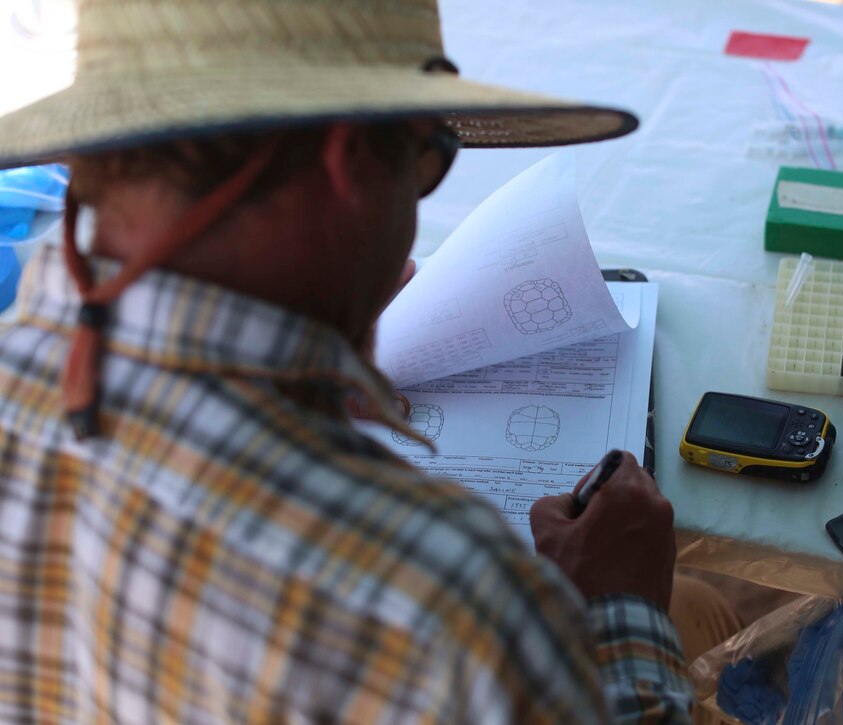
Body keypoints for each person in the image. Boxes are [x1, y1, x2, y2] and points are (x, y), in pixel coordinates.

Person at [0, 0, 739, 722]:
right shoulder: (445, 597)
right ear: (349, 163)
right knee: (704, 608)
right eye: (428, 160)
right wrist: (619, 610)